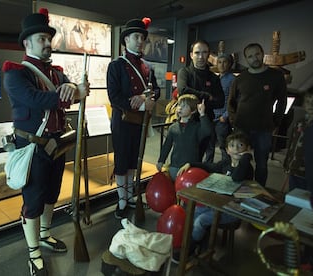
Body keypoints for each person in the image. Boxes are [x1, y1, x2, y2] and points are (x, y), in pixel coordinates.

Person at [3, 8, 89, 276]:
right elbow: (34, 100)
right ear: (27, 42)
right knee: (33, 200)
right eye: (41, 39)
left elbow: (70, 87)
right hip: (32, 146)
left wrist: (75, 88)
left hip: (56, 144)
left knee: (51, 194)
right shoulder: (15, 73)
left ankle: (44, 234)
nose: (48, 43)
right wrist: (72, 94)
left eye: (48, 38)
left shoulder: (57, 73)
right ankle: (33, 252)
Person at [107, 17, 160, 219]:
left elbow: (155, 89)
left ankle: (129, 196)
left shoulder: (146, 66)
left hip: (139, 121)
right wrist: (136, 101)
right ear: (126, 40)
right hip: (122, 120)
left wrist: (149, 97)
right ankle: (122, 200)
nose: (140, 41)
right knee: (122, 161)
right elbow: (114, 96)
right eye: (136, 37)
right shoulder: (116, 65)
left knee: (133, 160)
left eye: (142, 38)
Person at [173, 131, 254, 263]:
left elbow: (237, 177)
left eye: (240, 145)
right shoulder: (225, 164)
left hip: (233, 210)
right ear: (227, 150)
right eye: (232, 146)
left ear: (247, 149)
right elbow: (208, 166)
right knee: (194, 213)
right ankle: (198, 244)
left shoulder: (247, 167)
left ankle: (189, 249)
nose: (236, 149)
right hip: (218, 205)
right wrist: (190, 164)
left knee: (201, 220)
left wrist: (246, 158)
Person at [228, 43, 287, 186]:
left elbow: (282, 102)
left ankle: (259, 193)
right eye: (250, 56)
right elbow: (231, 101)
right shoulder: (240, 78)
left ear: (262, 53)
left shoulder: (276, 76)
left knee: (261, 164)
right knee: (241, 161)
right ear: (246, 59)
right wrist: (233, 120)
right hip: (242, 127)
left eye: (257, 54)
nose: (254, 58)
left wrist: (276, 122)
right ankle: (241, 189)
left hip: (263, 128)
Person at [177, 39, 225, 162]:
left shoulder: (214, 78)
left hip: (206, 122)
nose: (200, 56)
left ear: (208, 55)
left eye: (204, 52)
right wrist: (206, 95)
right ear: (191, 55)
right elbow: (183, 90)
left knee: (204, 159)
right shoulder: (185, 72)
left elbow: (220, 102)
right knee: (184, 158)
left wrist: (196, 100)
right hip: (187, 123)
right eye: (197, 53)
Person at [156, 94, 211, 181]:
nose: (180, 108)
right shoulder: (173, 127)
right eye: (179, 105)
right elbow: (167, 145)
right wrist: (161, 160)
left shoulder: (196, 127)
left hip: (191, 167)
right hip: (174, 166)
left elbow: (207, 132)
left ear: (192, 111)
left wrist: (202, 114)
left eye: (184, 106)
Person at [283, 86, 313, 191]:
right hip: (294, 168)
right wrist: (287, 163)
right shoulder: (300, 122)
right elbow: (291, 144)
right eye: (308, 101)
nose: (311, 105)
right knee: (292, 196)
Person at [208, 53, 235, 162]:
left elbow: (233, 100)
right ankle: (207, 166)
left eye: (225, 62)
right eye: (219, 62)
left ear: (229, 64)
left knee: (224, 146)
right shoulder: (215, 78)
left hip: (222, 119)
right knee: (209, 145)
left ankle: (226, 168)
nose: (222, 65)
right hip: (212, 116)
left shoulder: (232, 79)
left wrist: (225, 116)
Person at [304, 86, 313, 275]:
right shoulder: (307, 123)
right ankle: (306, 255)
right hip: (307, 174)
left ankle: (310, 257)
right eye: (308, 101)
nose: (311, 105)